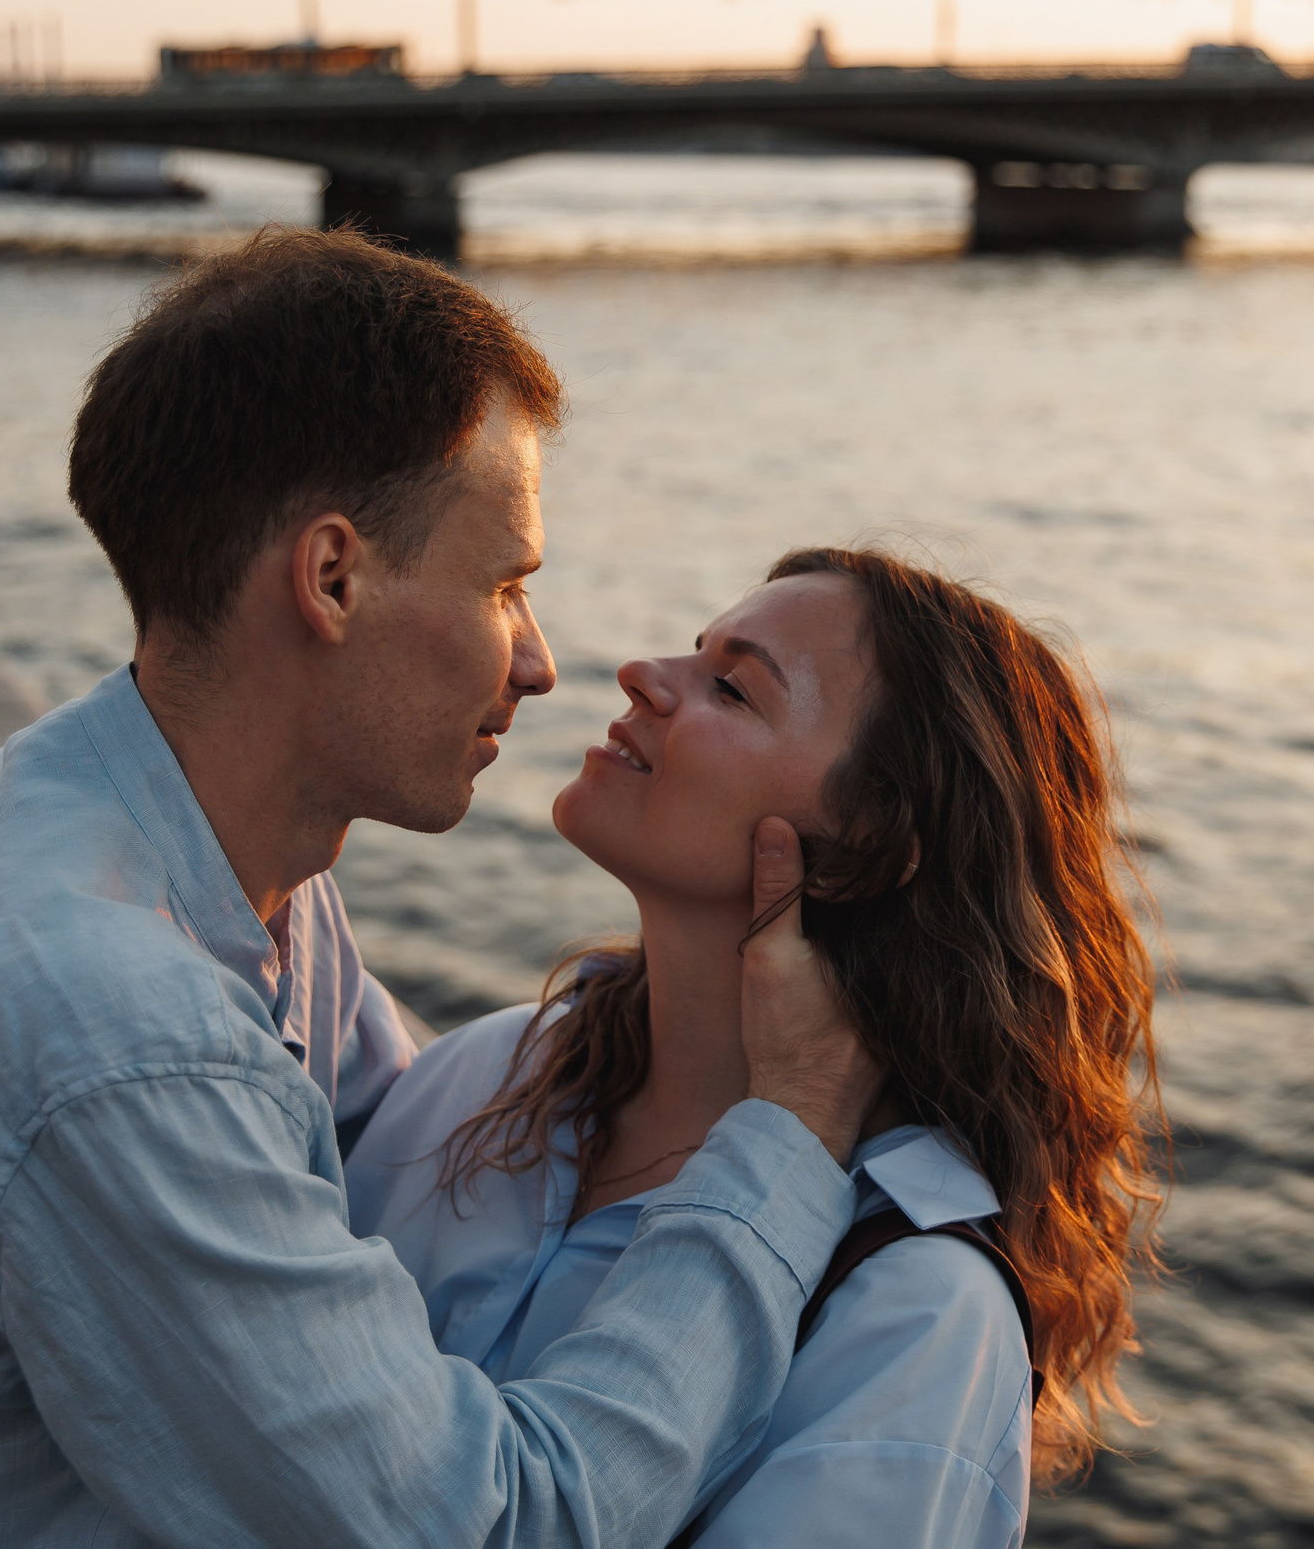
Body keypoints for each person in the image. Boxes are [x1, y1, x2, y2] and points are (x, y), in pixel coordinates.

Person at [0, 228, 883, 1549]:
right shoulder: (112, 1026)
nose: (537, 661)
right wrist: (791, 1137)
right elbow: (492, 1526)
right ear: (332, 578)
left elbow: (388, 1156)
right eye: (505, 585)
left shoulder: (169, 838)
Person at [348, 547, 1167, 1548]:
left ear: (866, 847)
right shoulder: (493, 1070)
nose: (642, 674)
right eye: (696, 653)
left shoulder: (913, 1309)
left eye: (731, 689)